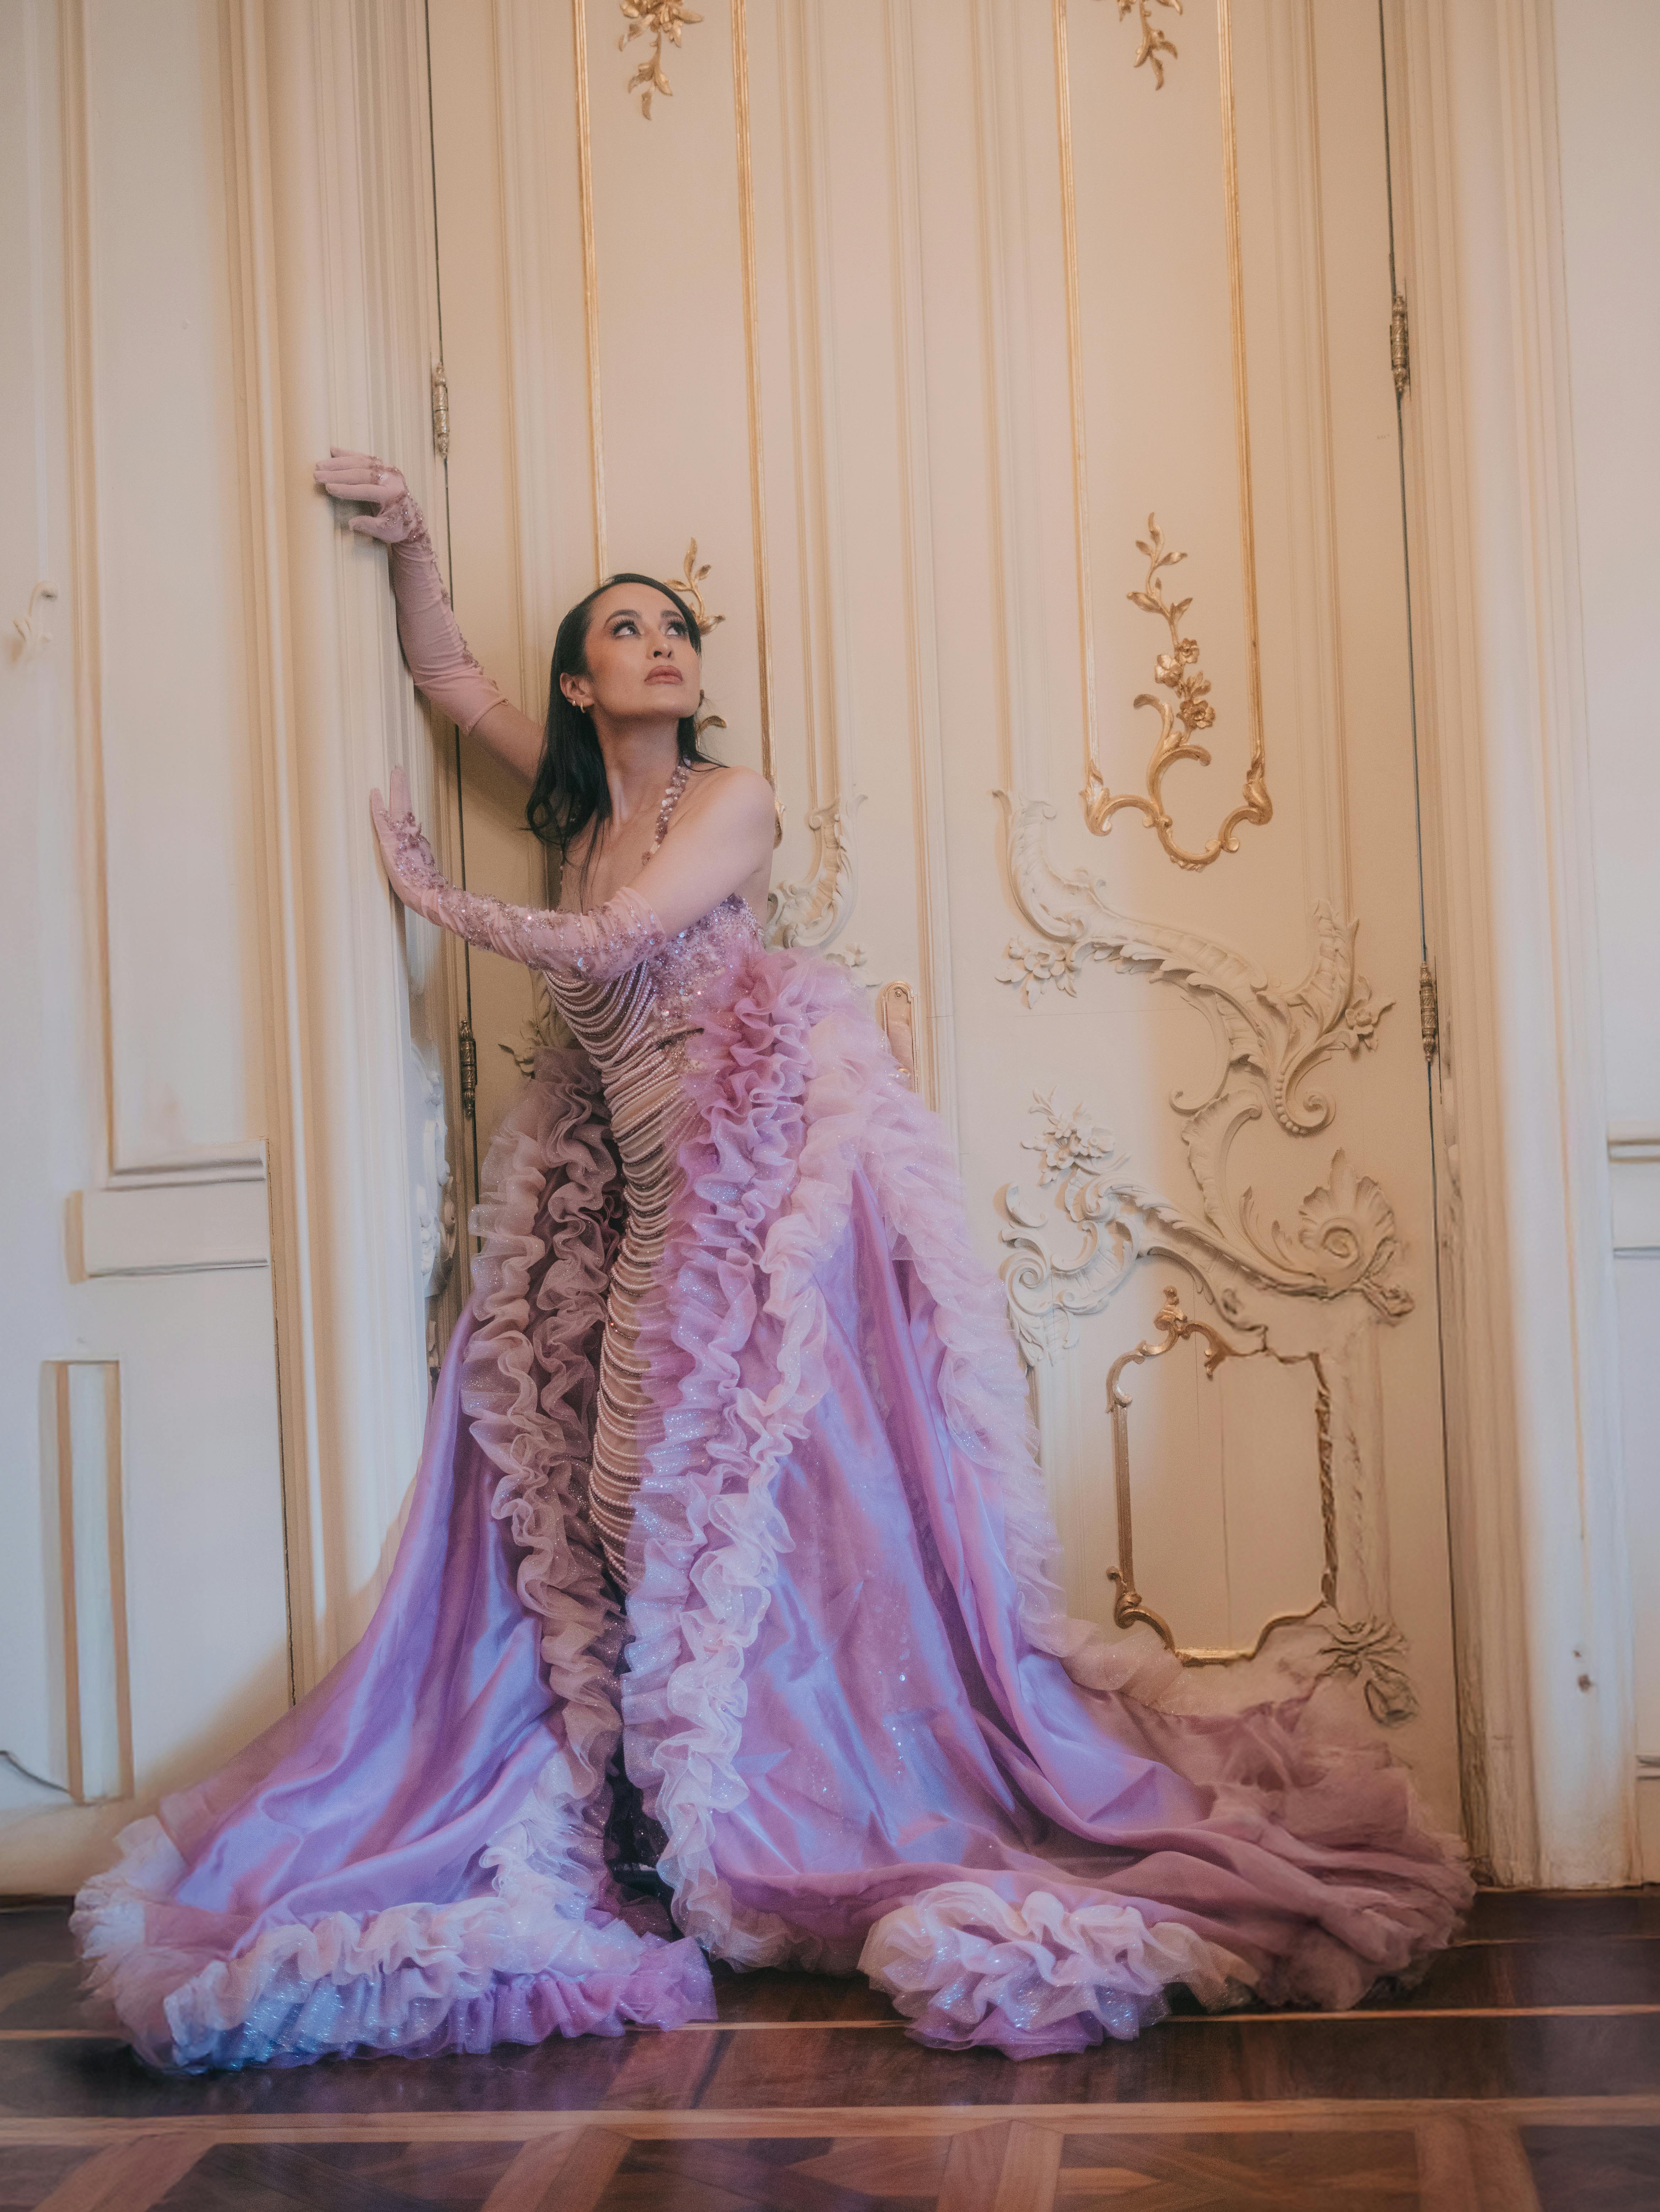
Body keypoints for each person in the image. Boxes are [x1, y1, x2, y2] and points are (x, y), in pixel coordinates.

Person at [71, 453, 1470, 2076]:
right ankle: (655, 1823)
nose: (662, 644)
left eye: (678, 626)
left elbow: (611, 942)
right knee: (598, 1521)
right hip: (629, 1216)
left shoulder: (726, 801)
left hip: (751, 1209)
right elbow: (449, 680)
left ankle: (731, 1824)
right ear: (583, 679)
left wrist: (436, 903)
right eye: (625, 630)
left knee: (724, 1523)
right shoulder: (579, 801)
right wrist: (414, 547)